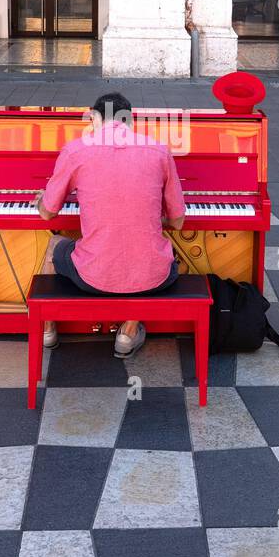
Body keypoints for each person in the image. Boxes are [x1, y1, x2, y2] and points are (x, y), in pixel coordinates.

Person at [33, 91, 185, 358]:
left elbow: (47, 213)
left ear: (93, 118)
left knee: (55, 243)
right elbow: (177, 221)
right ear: (130, 121)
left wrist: (39, 201)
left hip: (90, 276)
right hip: (153, 278)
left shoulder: (76, 149)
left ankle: (47, 329)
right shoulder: (159, 150)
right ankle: (128, 331)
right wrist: (145, 216)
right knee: (162, 253)